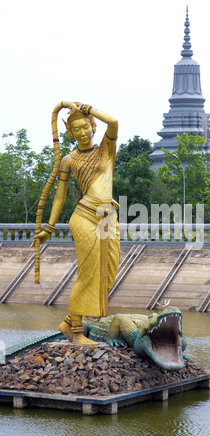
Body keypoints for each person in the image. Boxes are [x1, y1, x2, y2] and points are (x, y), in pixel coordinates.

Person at [33, 102, 120, 344]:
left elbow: (113, 122)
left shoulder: (106, 149)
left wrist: (89, 109)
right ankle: (77, 331)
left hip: (108, 217)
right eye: (76, 130)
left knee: (109, 271)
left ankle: (68, 321)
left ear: (93, 126)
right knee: (88, 272)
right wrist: (48, 229)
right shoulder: (69, 160)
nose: (82, 132)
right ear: (70, 134)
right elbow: (59, 197)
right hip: (84, 217)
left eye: (85, 127)